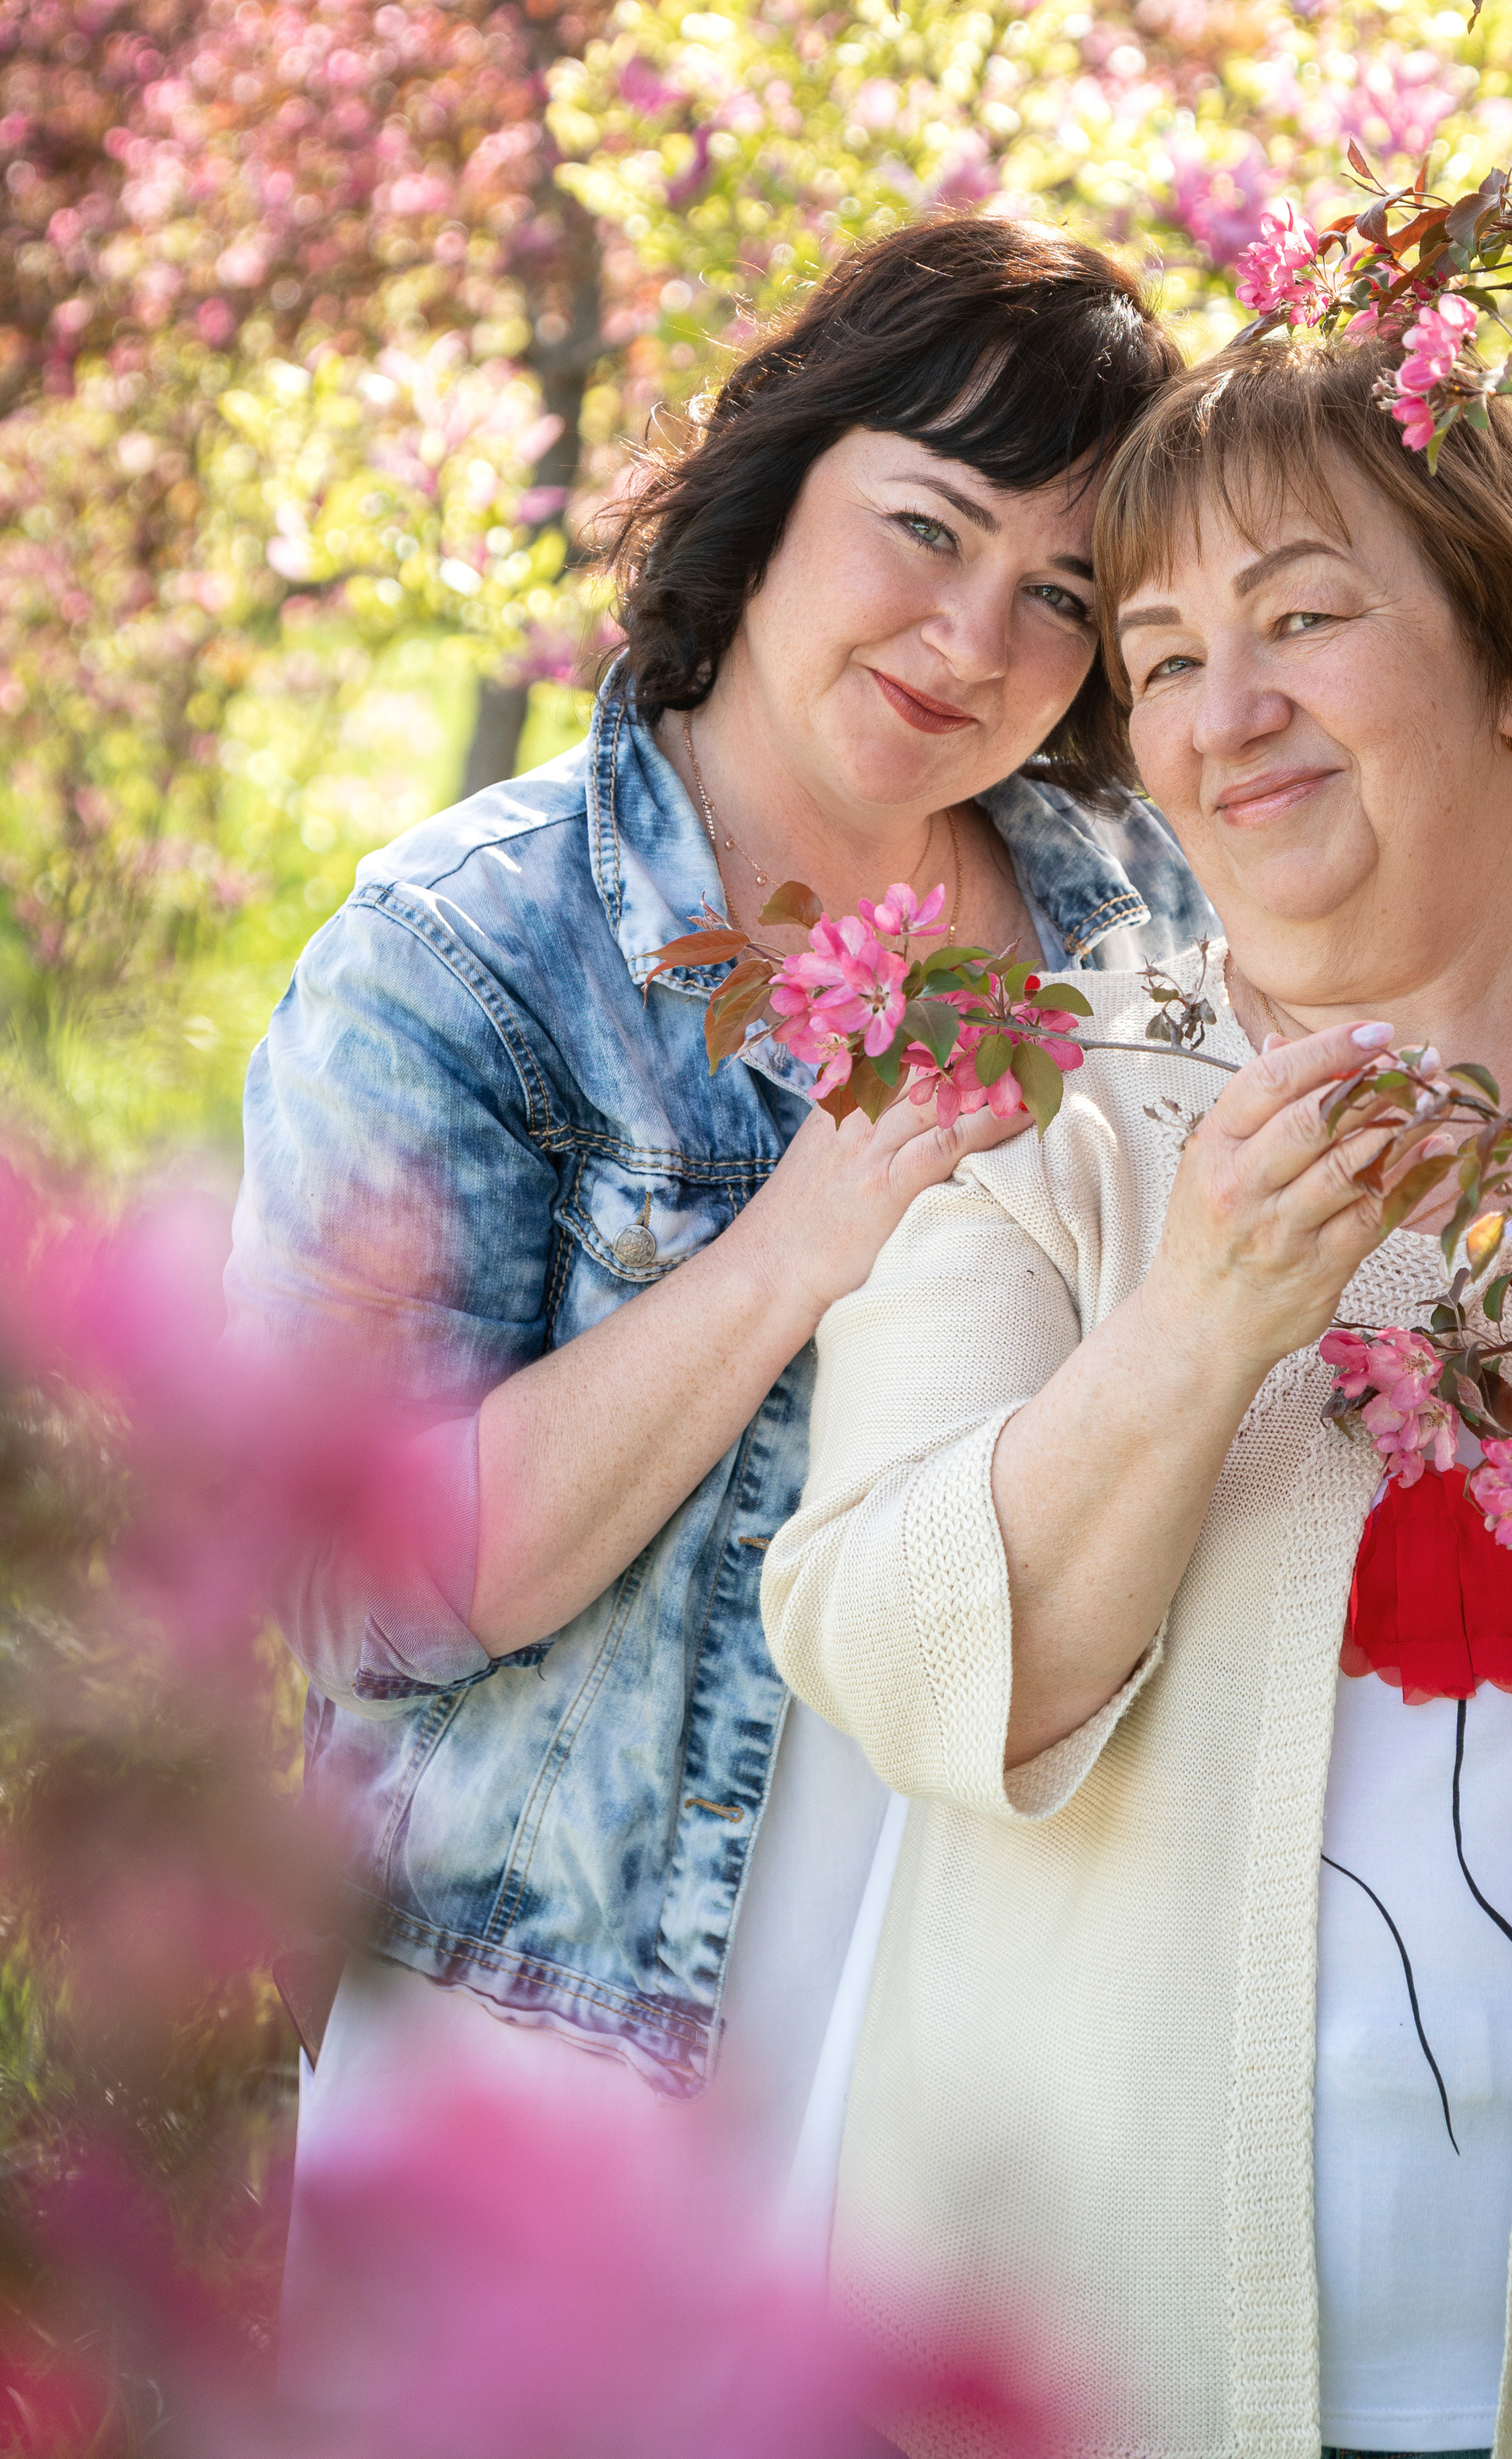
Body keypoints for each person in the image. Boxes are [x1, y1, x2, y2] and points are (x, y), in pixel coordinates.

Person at [763, 332, 1512, 2459]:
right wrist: (1201, 1320)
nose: (1225, 717)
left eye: (1306, 618)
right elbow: (897, 1652)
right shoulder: (1045, 1121)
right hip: (1086, 2379)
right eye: (1161, 657)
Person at [224, 214, 1216, 2283]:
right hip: (562, 2044)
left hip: (1012, 2013)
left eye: (1062, 595)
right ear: (774, 495)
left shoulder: (1146, 923)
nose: (977, 641)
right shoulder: (470, 951)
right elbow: (363, 1591)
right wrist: (797, 1240)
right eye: (929, 529)